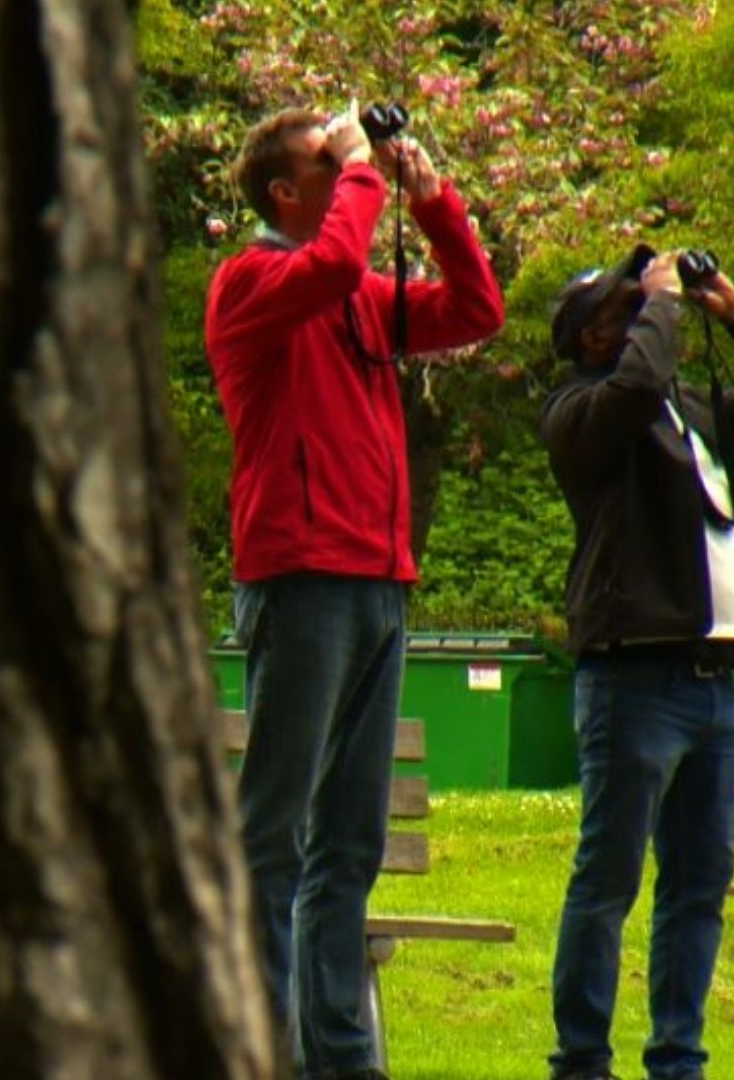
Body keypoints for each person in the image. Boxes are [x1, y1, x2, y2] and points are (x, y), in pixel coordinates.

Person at [205, 105, 503, 1079]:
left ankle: (342, 1059)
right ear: (284, 196)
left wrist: (434, 203)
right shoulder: (251, 282)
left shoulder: (358, 300)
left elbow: (476, 312)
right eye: (328, 167)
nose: (349, 177)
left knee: (348, 844)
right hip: (299, 577)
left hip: (376, 581)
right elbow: (330, 263)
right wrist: (366, 172)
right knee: (274, 837)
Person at [538, 244, 734, 1080]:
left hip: (712, 681)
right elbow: (630, 390)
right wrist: (659, 301)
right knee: (610, 878)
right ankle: (582, 1059)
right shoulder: (580, 411)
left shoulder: (690, 410)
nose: (652, 317)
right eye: (629, 312)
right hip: (633, 679)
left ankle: (677, 1059)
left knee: (698, 886)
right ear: (595, 338)